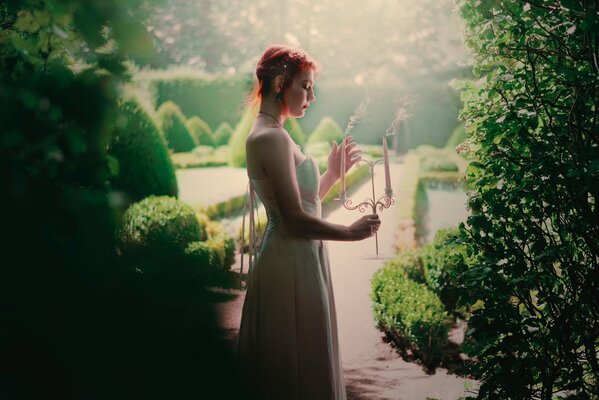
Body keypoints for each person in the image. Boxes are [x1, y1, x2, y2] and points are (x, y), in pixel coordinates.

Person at [237, 44, 381, 400]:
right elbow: (293, 220)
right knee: (294, 359)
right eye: (306, 85)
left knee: (308, 353)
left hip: (299, 256)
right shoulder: (269, 137)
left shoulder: (276, 133)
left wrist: (332, 175)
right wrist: (349, 233)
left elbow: (302, 199)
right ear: (280, 83)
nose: (312, 96)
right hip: (288, 261)